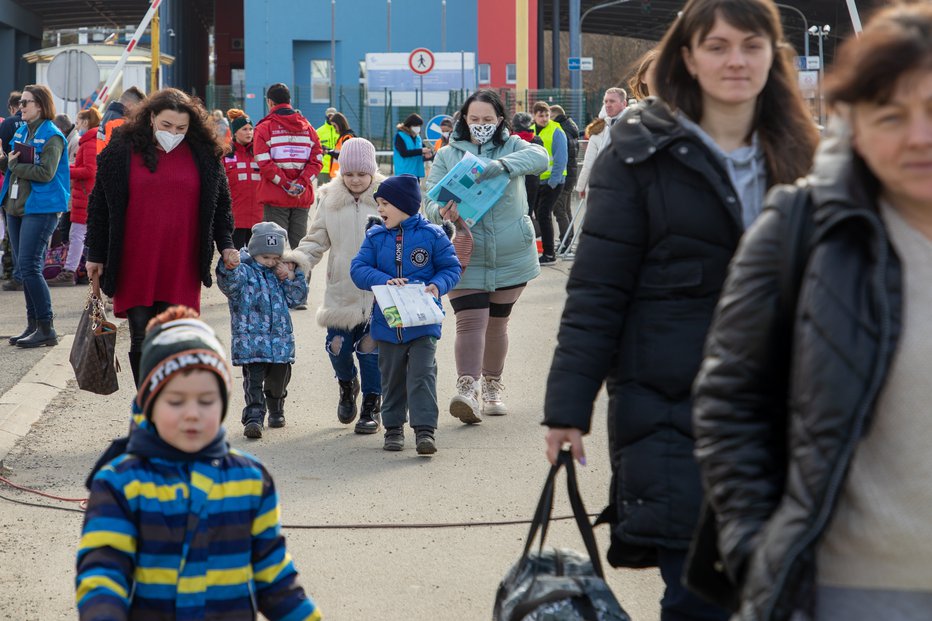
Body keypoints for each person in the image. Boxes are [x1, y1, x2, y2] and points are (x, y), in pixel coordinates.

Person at [542, 0, 820, 618]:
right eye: (717, 46)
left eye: (751, 46)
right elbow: (597, 292)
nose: (735, 60)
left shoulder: (809, 158)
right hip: (674, 417)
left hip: (798, 422)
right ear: (688, 58)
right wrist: (567, 410)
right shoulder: (638, 155)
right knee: (698, 600)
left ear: (773, 59)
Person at [689, 5, 932, 620]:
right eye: (891, 114)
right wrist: (756, 546)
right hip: (846, 591)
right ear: (853, 121)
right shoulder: (803, 227)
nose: (919, 136)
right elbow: (730, 398)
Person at [76, 307, 322, 621]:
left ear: (223, 404)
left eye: (206, 401)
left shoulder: (249, 480)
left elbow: (275, 579)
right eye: (176, 401)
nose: (192, 413)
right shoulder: (120, 483)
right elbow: (104, 569)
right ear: (149, 404)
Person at [85, 87, 238, 386]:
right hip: (135, 257)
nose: (173, 132)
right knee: (141, 334)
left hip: (182, 260)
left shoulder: (205, 155)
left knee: (172, 336)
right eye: (167, 125)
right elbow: (100, 205)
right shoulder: (121, 150)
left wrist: (227, 244)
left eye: (181, 127)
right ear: (151, 117)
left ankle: (166, 398)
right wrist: (95, 254)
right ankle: (148, 403)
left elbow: (221, 205)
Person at [425, 89, 548, 424]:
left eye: (488, 120)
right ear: (464, 119)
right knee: (470, 320)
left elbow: (541, 159)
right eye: (474, 119)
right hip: (464, 253)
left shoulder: (513, 146)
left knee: (497, 322)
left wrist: (501, 166)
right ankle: (468, 387)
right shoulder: (448, 154)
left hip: (511, 252)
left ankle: (492, 384)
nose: (481, 125)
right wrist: (441, 212)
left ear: (499, 121)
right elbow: (429, 200)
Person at [350, 174, 461, 455]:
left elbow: (451, 268)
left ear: (405, 205)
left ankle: (425, 431)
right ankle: (393, 428)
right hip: (388, 324)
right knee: (392, 376)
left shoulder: (433, 235)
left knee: (423, 374)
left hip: (423, 323)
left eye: (386, 203)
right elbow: (358, 268)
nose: (380, 210)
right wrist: (383, 279)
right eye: (378, 204)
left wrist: (438, 285)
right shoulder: (375, 237)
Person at [296, 137, 385, 434]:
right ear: (340, 172)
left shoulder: (387, 198)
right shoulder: (329, 201)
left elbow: (410, 233)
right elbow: (316, 239)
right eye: (349, 174)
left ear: (372, 172)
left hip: (378, 293)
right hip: (341, 290)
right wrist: (296, 262)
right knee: (337, 348)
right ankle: (347, 385)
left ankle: (372, 403)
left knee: (371, 350)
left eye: (362, 174)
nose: (355, 180)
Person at [217, 221, 309, 439]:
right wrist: (228, 267)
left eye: (275, 258)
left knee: (279, 379)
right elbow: (229, 284)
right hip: (252, 342)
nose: (270, 263)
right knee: (254, 381)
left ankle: (276, 406)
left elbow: (297, 299)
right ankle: (254, 417)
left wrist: (291, 277)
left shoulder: (281, 274)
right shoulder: (245, 272)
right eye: (265, 257)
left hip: (280, 342)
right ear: (254, 252)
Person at [0, 84, 70, 348]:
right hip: (18, 207)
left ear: (40, 105)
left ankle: (46, 326)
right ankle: (33, 325)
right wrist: (4, 161)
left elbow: (46, 173)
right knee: (24, 267)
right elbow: (14, 165)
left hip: (41, 207)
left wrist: (16, 164)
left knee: (29, 267)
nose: (21, 107)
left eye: (26, 103)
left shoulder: (52, 135)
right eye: (21, 102)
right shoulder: (23, 130)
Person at [253, 82, 324, 250]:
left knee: (276, 250)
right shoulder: (309, 129)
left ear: (269, 102)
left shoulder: (264, 128)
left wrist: (285, 184)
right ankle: (302, 277)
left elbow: (264, 163)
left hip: (275, 196)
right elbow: (317, 161)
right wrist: (300, 183)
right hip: (301, 197)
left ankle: (278, 278)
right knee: (301, 250)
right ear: (289, 100)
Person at [48, 107, 101, 287]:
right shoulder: (89, 141)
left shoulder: (89, 143)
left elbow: (88, 170)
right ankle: (76, 271)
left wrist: (65, 170)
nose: (77, 126)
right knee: (80, 234)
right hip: (85, 193)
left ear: (86, 122)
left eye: (78, 122)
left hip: (84, 194)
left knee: (77, 234)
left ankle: (69, 271)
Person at [530, 101, 567, 264]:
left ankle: (549, 253)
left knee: (544, 215)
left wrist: (553, 181)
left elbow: (560, 159)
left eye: (546, 115)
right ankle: (544, 251)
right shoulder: (531, 131)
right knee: (539, 215)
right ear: (534, 116)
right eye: (541, 115)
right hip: (537, 181)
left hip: (553, 181)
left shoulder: (556, 130)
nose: (544, 118)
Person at [576, 88, 628, 198]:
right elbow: (589, 161)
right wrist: (582, 186)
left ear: (624, 103)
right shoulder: (605, 127)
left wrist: (582, 186)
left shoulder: (630, 125)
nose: (608, 105)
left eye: (612, 101)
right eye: (606, 101)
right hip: (604, 185)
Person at [224, 108, 264, 249]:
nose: (249, 132)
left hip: (258, 218)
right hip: (236, 218)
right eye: (244, 129)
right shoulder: (225, 154)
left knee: (257, 261)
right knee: (235, 260)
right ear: (235, 132)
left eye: (250, 129)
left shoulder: (260, 153)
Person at [0, 91, 24, 291]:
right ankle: (30, 273)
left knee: (14, 233)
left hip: (12, 182)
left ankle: (17, 274)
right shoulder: (44, 127)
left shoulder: (7, 124)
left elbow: (3, 157)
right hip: (36, 187)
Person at [549, 104, 580, 252]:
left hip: (564, 174)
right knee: (566, 209)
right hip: (571, 174)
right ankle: (569, 238)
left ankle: (565, 242)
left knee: (559, 210)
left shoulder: (560, 130)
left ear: (555, 116)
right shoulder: (570, 128)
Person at [511, 111, 546, 220]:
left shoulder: (510, 141)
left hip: (513, 181)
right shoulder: (537, 140)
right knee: (528, 214)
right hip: (533, 181)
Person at [96, 86, 145, 154]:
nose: (139, 112)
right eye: (139, 108)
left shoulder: (109, 115)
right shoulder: (119, 121)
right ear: (130, 105)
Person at [392, 113, 432, 180]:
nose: (418, 128)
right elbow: (403, 153)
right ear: (409, 125)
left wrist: (428, 153)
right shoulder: (400, 136)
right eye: (416, 125)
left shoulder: (418, 138)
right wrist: (421, 151)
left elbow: (423, 151)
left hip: (416, 173)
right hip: (404, 173)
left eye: (419, 126)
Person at [325, 112, 356, 179]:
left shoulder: (347, 137)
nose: (334, 128)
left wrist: (329, 152)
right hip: (338, 175)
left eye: (334, 126)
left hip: (342, 174)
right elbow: (339, 153)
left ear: (340, 124)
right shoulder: (344, 137)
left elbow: (345, 157)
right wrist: (329, 150)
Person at [317, 106, 339, 185]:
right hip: (323, 169)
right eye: (329, 116)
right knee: (322, 194)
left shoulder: (340, 131)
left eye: (333, 116)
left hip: (337, 169)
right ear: (326, 116)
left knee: (336, 194)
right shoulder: (319, 131)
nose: (331, 118)